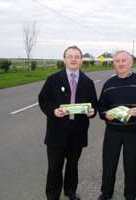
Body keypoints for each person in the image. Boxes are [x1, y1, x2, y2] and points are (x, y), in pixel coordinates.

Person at [38, 46, 97, 200]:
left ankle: (70, 192)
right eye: (69, 56)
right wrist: (53, 111)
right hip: (57, 131)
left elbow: (94, 105)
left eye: (76, 56)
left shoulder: (88, 82)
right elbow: (43, 100)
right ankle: (52, 195)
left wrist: (92, 112)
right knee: (54, 167)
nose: (73, 59)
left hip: (77, 132)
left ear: (81, 60)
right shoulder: (53, 80)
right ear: (64, 59)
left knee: (72, 166)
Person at [97, 50, 136, 200]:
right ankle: (106, 194)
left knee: (131, 167)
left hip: (134, 133)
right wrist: (105, 114)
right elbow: (101, 106)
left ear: (131, 63)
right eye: (117, 61)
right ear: (114, 64)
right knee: (108, 165)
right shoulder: (109, 84)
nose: (121, 64)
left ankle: (130, 195)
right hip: (112, 132)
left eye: (124, 60)